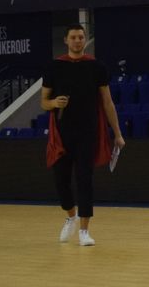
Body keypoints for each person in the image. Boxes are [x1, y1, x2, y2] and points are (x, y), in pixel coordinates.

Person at [41, 24, 124, 248]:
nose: (77, 41)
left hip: (88, 133)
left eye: (81, 37)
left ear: (85, 40)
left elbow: (107, 102)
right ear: (66, 41)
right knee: (61, 182)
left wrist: (117, 133)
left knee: (85, 181)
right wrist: (54, 103)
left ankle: (85, 231)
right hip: (62, 133)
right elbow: (43, 102)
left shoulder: (96, 67)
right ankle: (71, 216)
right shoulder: (54, 67)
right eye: (73, 37)